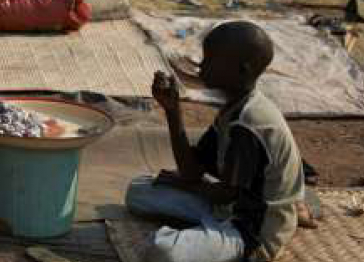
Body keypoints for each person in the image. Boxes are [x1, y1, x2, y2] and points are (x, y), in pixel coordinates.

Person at [127, 22, 304, 262]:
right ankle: (203, 236)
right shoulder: (232, 111)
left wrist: (185, 186)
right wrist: (172, 111)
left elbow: (222, 195)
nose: (202, 65)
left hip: (252, 230)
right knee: (137, 191)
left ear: (243, 70)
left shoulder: (250, 123)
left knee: (163, 251)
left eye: (211, 59)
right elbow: (191, 171)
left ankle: (209, 241)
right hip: (224, 209)